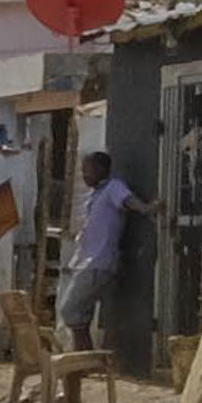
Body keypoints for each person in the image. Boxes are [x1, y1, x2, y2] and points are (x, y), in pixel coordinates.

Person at [62, 149, 139, 361]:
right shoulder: (95, 195)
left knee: (70, 311)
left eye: (88, 170)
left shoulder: (114, 188)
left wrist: (147, 208)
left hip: (100, 262)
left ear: (102, 170)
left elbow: (128, 201)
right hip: (89, 262)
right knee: (81, 314)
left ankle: (85, 361)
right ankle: (84, 362)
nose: (85, 175)